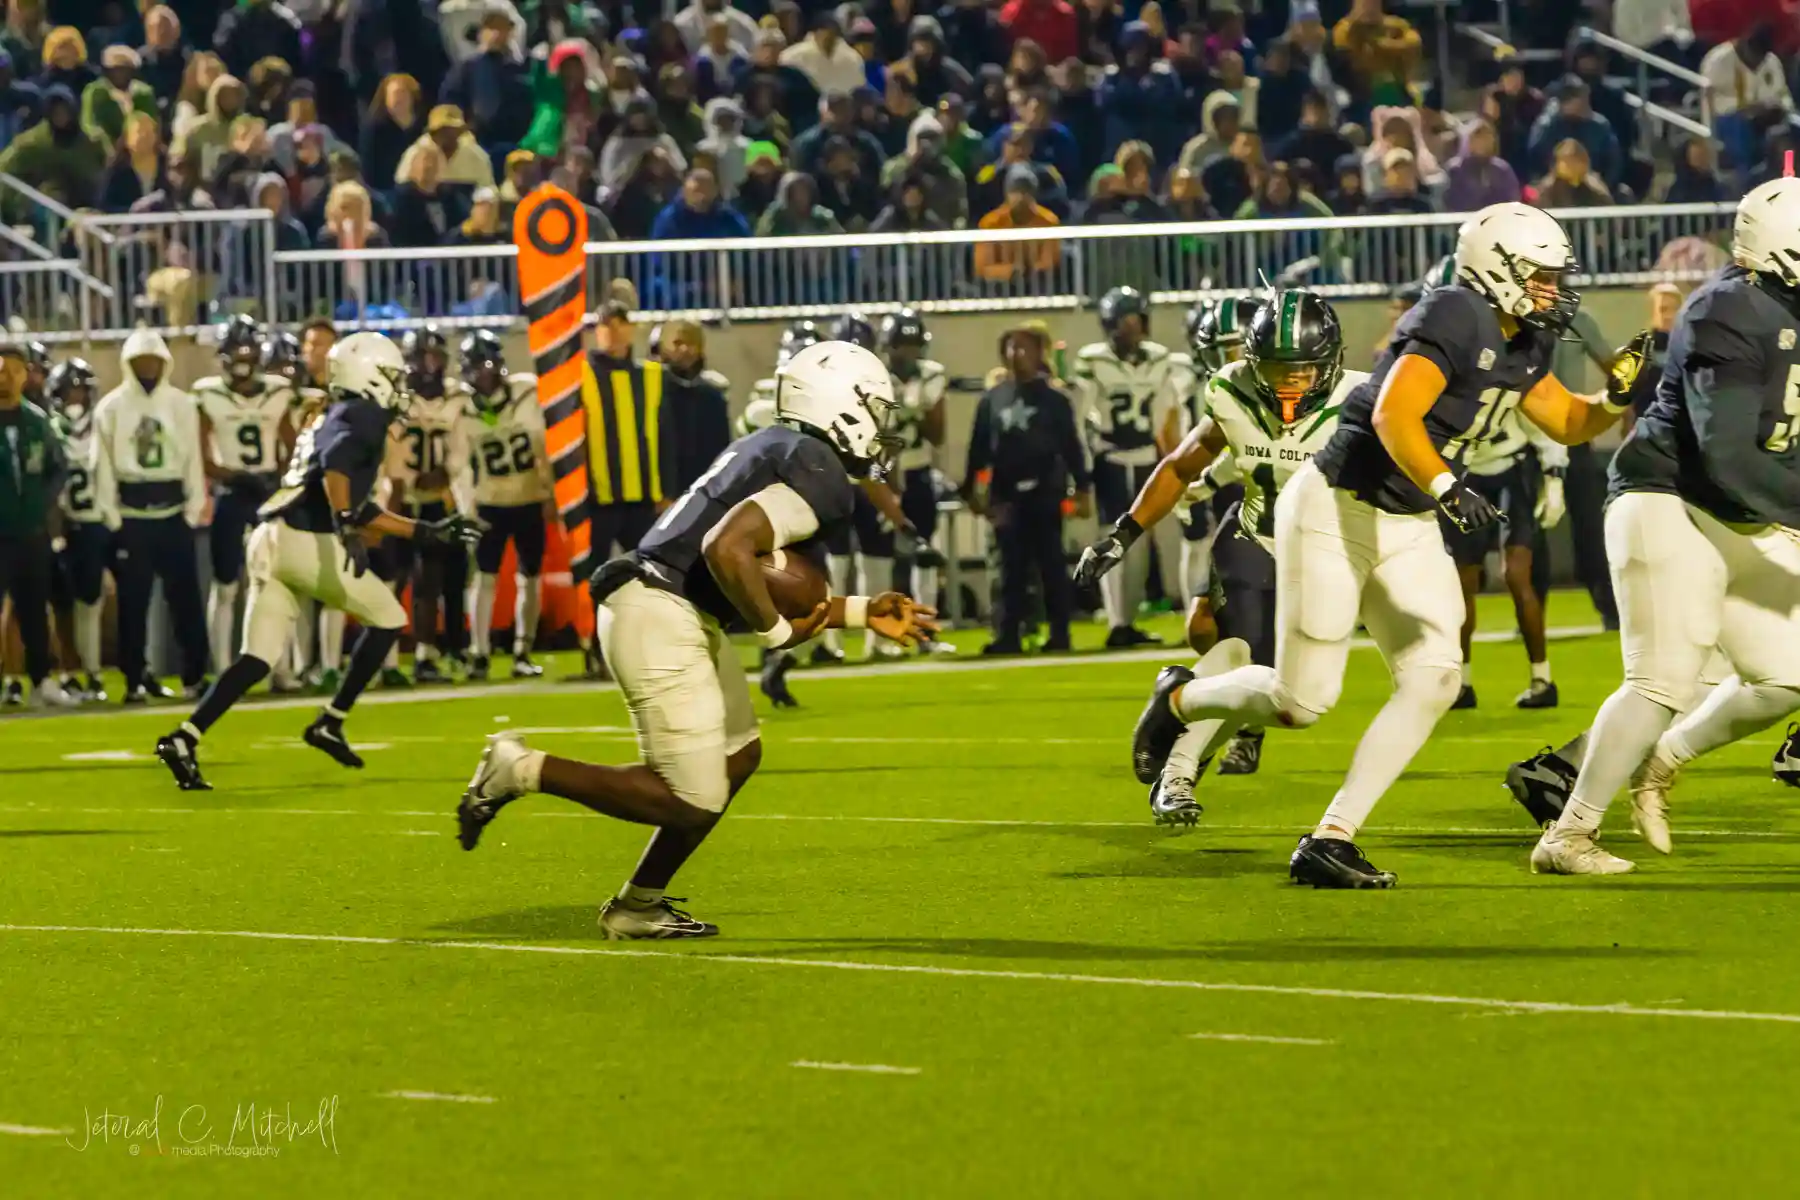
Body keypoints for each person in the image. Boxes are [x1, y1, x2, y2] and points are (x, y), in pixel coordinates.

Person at [1127, 203, 1633, 888]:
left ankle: (1332, 836)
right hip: (1337, 507)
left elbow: (1571, 422)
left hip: (1406, 519)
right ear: (1500, 271)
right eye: (1539, 276)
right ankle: (1182, 700)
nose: (1551, 289)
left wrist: (1613, 396)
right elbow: (1396, 413)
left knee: (1436, 676)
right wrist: (1450, 486)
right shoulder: (1455, 313)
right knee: (1300, 703)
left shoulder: (1523, 338)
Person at [457, 341, 934, 940]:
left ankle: (638, 906)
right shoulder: (814, 464)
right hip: (659, 608)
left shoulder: (776, 447)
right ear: (840, 405)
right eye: (874, 408)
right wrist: (778, 633)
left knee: (738, 757)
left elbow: (750, 571)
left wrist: (861, 612)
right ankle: (520, 768)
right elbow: (727, 550)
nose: (881, 425)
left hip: (666, 601)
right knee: (692, 797)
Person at [1526, 180, 1800, 873]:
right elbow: (1730, 452)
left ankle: (1661, 761)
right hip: (1666, 498)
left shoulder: (1781, 306)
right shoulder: (1729, 311)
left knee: (1787, 676)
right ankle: (1568, 836)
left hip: (1734, 510)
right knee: (1662, 677)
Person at [155, 334, 484, 790]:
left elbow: (346, 488)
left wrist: (420, 529)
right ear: (367, 376)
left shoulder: (332, 413)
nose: (398, 385)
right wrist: (348, 523)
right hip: (306, 540)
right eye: (392, 376)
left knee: (257, 657)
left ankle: (184, 738)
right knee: (389, 618)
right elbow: (337, 470)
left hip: (269, 537)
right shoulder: (362, 415)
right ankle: (331, 719)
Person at [1077, 292, 1360, 821]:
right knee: (1240, 653)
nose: (1288, 382)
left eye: (1302, 370)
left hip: (1321, 555)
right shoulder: (1233, 390)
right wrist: (1124, 533)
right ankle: (1177, 777)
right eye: (1275, 369)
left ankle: (1178, 697)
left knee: (1282, 694)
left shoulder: (1362, 400)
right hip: (1254, 536)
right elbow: (1181, 466)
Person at [93, 328, 212, 703]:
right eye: (141, 361)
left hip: (173, 511)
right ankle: (133, 678)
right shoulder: (111, 407)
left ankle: (194, 675)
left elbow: (193, 455)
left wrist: (193, 508)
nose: (148, 367)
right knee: (133, 604)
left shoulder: (181, 403)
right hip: (132, 513)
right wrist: (111, 516)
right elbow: (103, 464)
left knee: (186, 601)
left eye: (154, 360)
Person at [967, 323, 1090, 655]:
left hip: (1046, 493)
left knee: (1052, 568)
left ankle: (1060, 634)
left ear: (1039, 353)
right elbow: (978, 449)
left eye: (1022, 347)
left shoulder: (1055, 400)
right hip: (1006, 497)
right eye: (1009, 348)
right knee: (1009, 571)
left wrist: (1082, 487)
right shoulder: (993, 399)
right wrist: (972, 492)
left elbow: (1071, 447)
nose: (1014, 354)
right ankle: (1007, 635)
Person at [1071, 286, 1183, 649]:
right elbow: (1081, 415)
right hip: (1111, 455)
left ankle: (1129, 620)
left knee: (1139, 540)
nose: (1130, 329)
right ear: (1108, 325)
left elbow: (1167, 412)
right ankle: (1118, 620)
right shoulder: (1092, 359)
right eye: (1123, 322)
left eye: (1135, 321)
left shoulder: (1161, 359)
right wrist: (1082, 468)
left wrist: (1174, 458)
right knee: (1112, 535)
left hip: (1146, 455)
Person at [1438, 406, 1566, 712]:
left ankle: (1542, 679)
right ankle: (1462, 683)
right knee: (1462, 582)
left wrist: (1554, 476)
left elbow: (1545, 418)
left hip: (1515, 470)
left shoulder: (1510, 368)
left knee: (1517, 575)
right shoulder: (1447, 374)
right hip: (1467, 478)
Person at [192, 315, 297, 674]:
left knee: (277, 582)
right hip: (232, 493)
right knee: (225, 584)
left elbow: (292, 447)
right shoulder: (207, 394)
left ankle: (280, 667)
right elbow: (203, 456)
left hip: (268, 493)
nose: (242, 358)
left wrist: (280, 482)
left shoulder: (277, 392)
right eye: (236, 351)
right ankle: (223, 668)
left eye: (248, 350)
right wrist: (235, 476)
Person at [456, 330, 549, 682]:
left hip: (528, 498)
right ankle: (478, 652)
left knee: (531, 576)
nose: (483, 373)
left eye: (489, 365)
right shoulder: (461, 407)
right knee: (483, 578)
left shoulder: (528, 391)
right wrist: (469, 508)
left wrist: (550, 491)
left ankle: (523, 651)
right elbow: (459, 465)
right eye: (477, 367)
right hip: (489, 503)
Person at [385, 326, 473, 683]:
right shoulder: (396, 401)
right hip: (402, 500)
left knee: (450, 578)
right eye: (425, 357)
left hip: (442, 499)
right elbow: (390, 451)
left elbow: (461, 450)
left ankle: (450, 649)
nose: (431, 365)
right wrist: (406, 478)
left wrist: (446, 474)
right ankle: (408, 656)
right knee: (408, 579)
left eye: (437, 357)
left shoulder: (455, 398)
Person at [0, 340, 76, 708]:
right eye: (1, 370)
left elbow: (59, 467)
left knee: (34, 608)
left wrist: (41, 505)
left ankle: (42, 680)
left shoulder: (38, 422)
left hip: (31, 533)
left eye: (13, 371)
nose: (6, 378)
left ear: (25, 375)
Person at [881, 308, 956, 656]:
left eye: (913, 345)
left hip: (919, 472)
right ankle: (886, 636)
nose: (908, 353)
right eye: (902, 345)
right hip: (881, 476)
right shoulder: (874, 377)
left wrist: (917, 411)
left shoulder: (931, 377)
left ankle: (925, 634)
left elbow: (938, 435)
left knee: (924, 555)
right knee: (885, 558)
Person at [45, 358, 109, 702]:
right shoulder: (49, 427)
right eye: (69, 391)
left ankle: (94, 672)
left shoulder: (102, 424)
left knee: (91, 600)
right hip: (61, 524)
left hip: (95, 522)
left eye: (81, 390)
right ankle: (68, 672)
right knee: (61, 604)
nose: (75, 397)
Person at [974, 165, 1060, 284]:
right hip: (999, 286)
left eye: (1027, 190)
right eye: (1015, 190)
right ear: (1006, 194)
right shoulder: (990, 223)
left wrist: (1030, 273)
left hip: (1038, 285)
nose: (1021, 196)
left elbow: (1049, 262)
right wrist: (1011, 272)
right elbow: (982, 268)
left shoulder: (1049, 222)